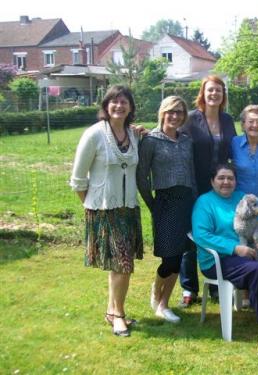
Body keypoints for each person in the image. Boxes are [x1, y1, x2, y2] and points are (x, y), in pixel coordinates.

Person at [192, 164, 258, 347]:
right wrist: (234, 248)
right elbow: (201, 235)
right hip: (218, 260)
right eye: (221, 178)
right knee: (256, 269)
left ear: (235, 181)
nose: (226, 182)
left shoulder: (242, 197)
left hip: (250, 251)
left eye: (230, 178)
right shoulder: (204, 202)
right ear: (212, 181)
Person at [70, 85, 143, 337]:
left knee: (121, 264)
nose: (119, 106)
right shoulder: (94, 135)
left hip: (128, 209)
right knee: (123, 264)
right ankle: (119, 316)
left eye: (124, 102)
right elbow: (78, 179)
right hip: (103, 210)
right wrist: (92, 207)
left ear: (131, 107)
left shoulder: (133, 135)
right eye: (114, 101)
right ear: (106, 105)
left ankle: (112, 310)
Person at [179, 75, 237, 306]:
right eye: (210, 90)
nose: (214, 94)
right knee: (191, 237)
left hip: (220, 187)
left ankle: (217, 284)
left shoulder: (228, 120)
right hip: (194, 185)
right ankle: (189, 288)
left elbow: (234, 147)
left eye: (219, 91)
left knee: (219, 232)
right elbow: (169, 131)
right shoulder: (191, 119)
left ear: (223, 95)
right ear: (202, 93)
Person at [136, 96, 195, 323]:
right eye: (171, 111)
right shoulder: (150, 140)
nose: (175, 116)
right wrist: (152, 204)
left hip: (186, 202)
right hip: (164, 203)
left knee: (179, 256)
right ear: (162, 113)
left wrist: (196, 200)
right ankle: (156, 290)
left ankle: (163, 303)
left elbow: (190, 173)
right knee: (169, 259)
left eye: (179, 112)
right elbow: (141, 177)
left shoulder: (186, 141)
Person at [231, 105, 258, 221]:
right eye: (250, 121)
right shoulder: (234, 143)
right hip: (240, 201)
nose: (255, 125)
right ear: (243, 124)